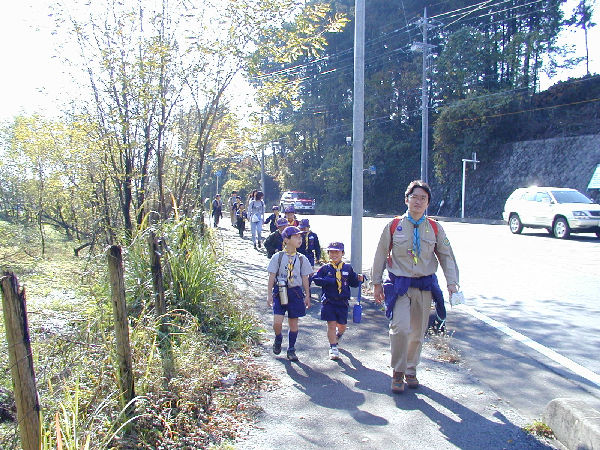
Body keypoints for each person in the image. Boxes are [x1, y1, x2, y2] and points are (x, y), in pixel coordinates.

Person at [372, 180, 459, 394]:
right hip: (400, 286)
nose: (418, 201)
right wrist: (376, 283)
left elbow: (446, 256)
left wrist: (452, 282)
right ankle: (398, 371)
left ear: (428, 203)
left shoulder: (435, 228)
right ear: (406, 200)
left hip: (424, 286)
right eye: (415, 197)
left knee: (418, 333)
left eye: (423, 198)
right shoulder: (394, 226)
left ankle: (411, 370)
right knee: (400, 328)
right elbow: (381, 253)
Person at [267, 226, 312, 361]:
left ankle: (291, 349)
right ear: (286, 239)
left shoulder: (302, 258)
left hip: (295, 292)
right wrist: (269, 294)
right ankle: (278, 337)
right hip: (280, 291)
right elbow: (271, 276)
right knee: (277, 322)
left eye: (300, 237)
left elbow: (305, 277)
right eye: (296, 237)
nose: (300, 239)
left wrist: (307, 295)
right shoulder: (278, 257)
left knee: (293, 323)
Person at [312, 242, 363, 360]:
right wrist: (328, 280)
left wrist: (360, 279)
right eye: (331, 252)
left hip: (342, 302)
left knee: (342, 326)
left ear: (342, 253)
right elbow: (316, 279)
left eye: (337, 252)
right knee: (331, 324)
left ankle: (338, 336)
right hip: (329, 301)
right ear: (328, 253)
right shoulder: (325, 268)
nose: (334, 255)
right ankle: (333, 347)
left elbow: (353, 283)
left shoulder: (347, 268)